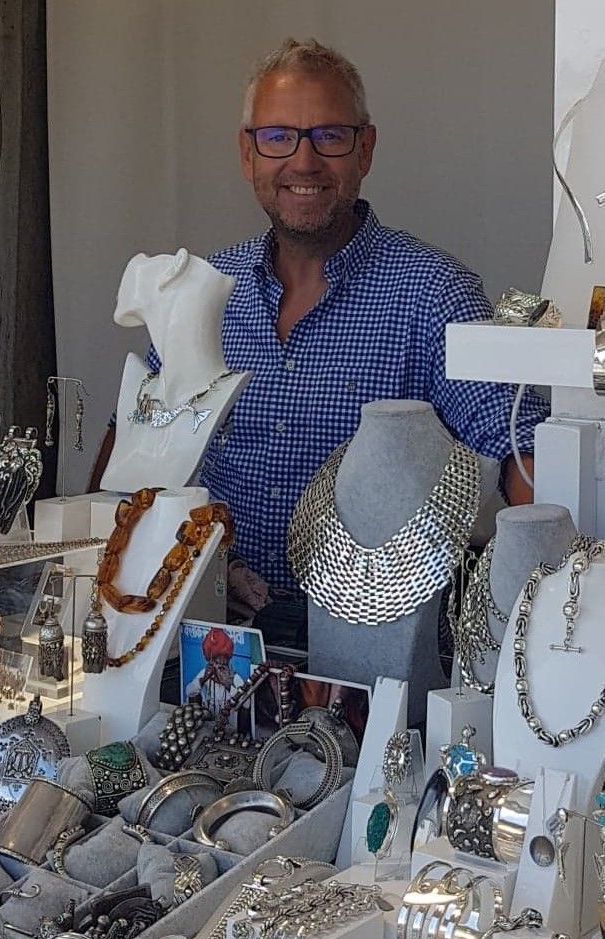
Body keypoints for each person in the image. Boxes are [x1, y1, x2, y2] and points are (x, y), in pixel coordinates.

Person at [91, 38, 547, 643]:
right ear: (246, 153)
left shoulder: (434, 294)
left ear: (367, 148)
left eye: (329, 136)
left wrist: (538, 626)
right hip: (208, 636)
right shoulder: (200, 292)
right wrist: (199, 562)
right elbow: (130, 464)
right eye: (278, 137)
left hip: (376, 652)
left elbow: (525, 464)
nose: (303, 162)